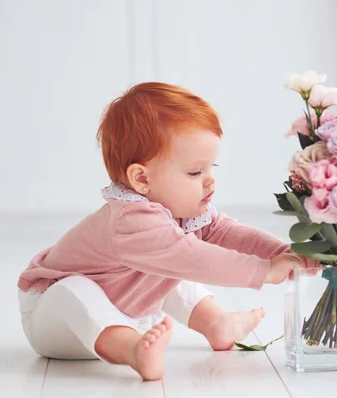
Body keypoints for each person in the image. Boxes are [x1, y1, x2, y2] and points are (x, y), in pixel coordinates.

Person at [17, 82, 314, 380]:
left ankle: (216, 323)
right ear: (141, 179)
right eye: (195, 172)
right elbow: (193, 258)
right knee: (78, 288)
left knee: (171, 264)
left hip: (126, 309)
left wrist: (282, 253)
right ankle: (132, 350)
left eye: (212, 167)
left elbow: (227, 232)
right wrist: (264, 270)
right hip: (55, 323)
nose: (210, 180)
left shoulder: (181, 214)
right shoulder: (130, 220)